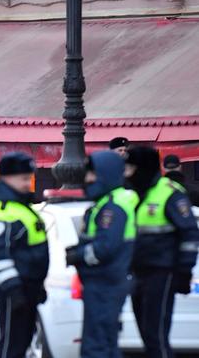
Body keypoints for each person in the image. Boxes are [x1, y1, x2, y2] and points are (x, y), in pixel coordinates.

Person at [126, 146, 199, 358]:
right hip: (138, 272)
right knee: (146, 334)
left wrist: (184, 271)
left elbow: (190, 234)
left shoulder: (170, 194)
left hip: (162, 272)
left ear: (143, 168)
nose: (127, 174)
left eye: (130, 168)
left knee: (155, 334)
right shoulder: (135, 195)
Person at [65, 151, 138, 358]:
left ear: (105, 175)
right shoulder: (107, 203)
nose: (87, 180)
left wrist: (77, 255)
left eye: (92, 175)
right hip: (103, 283)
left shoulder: (112, 208)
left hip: (106, 284)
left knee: (97, 347)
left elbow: (105, 248)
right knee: (103, 344)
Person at [0, 152, 48, 358]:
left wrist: (37, 286)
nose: (29, 183)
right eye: (24, 179)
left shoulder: (20, 207)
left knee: (22, 345)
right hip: (13, 291)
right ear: (7, 178)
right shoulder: (0, 211)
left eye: (30, 178)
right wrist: (14, 290)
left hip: (28, 288)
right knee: (11, 347)